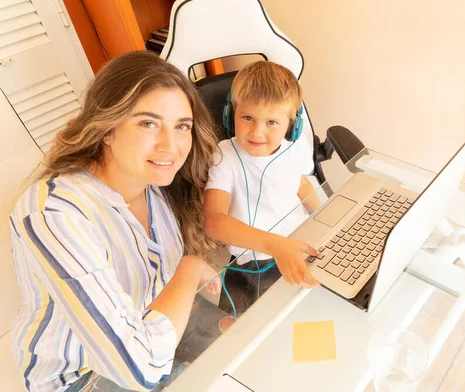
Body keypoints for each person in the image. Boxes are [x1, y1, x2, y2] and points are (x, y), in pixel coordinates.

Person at [9, 51, 223, 392]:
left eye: (182, 126)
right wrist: (191, 265)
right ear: (106, 129)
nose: (171, 145)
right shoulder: (54, 213)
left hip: (146, 328)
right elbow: (140, 369)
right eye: (148, 123)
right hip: (81, 377)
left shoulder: (154, 184)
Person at [203, 61, 321, 326]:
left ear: (292, 125)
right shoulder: (226, 157)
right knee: (236, 327)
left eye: (271, 122)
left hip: (298, 246)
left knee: (304, 315)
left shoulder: (295, 148)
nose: (257, 131)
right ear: (230, 115)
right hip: (252, 262)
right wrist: (276, 245)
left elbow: (300, 182)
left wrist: (325, 217)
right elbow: (214, 220)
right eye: (247, 118)